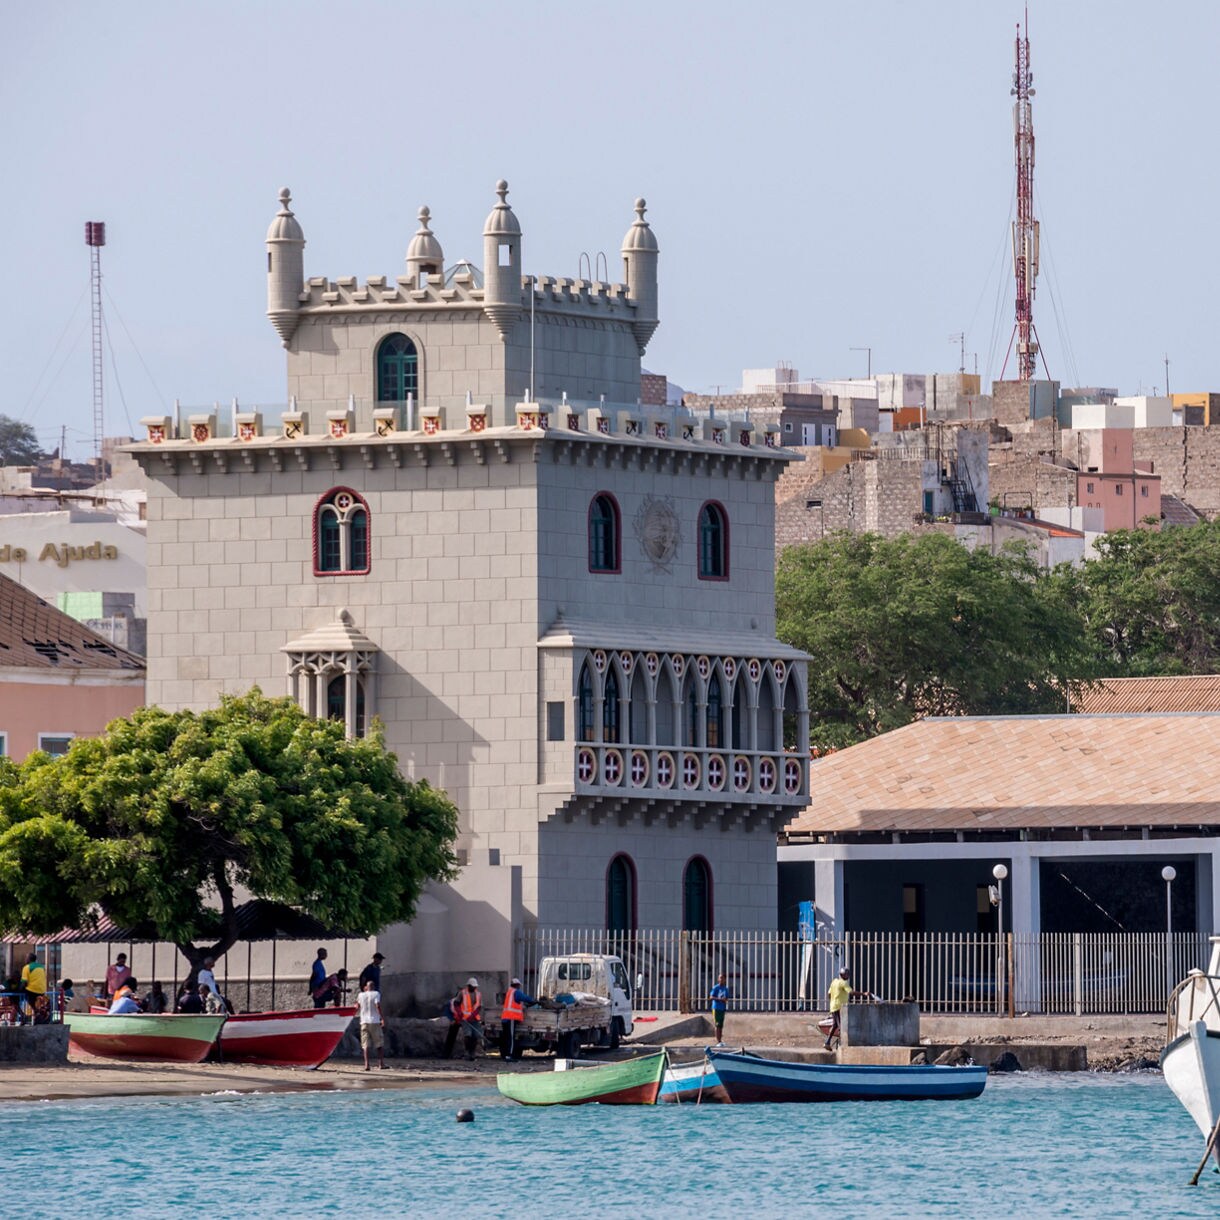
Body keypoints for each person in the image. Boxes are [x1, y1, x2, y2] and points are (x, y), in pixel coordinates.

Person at [498, 977, 537, 1062]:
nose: (519, 987)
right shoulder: (516, 992)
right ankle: (509, 1055)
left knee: (506, 1037)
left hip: (505, 1018)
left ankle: (505, 1055)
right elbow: (525, 998)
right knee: (510, 1038)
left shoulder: (509, 992)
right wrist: (533, 1000)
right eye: (519, 985)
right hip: (511, 1018)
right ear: (517, 985)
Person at [358, 978, 385, 1071]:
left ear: (366, 987)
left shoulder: (360, 995)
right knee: (379, 1043)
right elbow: (377, 1005)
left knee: (365, 1044)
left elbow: (357, 1006)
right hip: (374, 1021)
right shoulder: (376, 994)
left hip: (364, 1021)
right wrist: (382, 1018)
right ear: (373, 987)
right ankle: (381, 1063)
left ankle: (367, 1064)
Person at [825, 967, 853, 1049]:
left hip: (833, 1006)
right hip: (839, 1007)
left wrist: (832, 1001)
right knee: (841, 1025)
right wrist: (864, 994)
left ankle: (827, 1042)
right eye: (847, 974)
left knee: (834, 1025)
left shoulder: (834, 982)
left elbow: (829, 994)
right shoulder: (843, 983)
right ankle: (842, 1044)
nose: (848, 976)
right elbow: (851, 992)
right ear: (842, 975)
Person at [458, 977, 483, 1061]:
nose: (475, 988)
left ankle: (473, 1052)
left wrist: (473, 1015)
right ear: (468, 986)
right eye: (473, 986)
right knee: (468, 1035)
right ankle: (467, 1052)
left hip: (475, 1018)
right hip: (465, 1019)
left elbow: (479, 1006)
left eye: (475, 986)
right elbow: (456, 1003)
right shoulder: (462, 993)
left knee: (475, 1036)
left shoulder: (478, 994)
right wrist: (459, 1013)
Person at [19, 952, 47, 1022]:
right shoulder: (42, 967)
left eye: (26, 958)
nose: (25, 959)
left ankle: (26, 1014)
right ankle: (37, 1014)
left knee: (16, 998)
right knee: (37, 1005)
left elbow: (24, 982)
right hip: (42, 990)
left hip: (32, 990)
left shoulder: (26, 967)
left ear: (29, 959)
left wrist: (19, 989)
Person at [709, 972, 730, 1045]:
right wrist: (719, 999)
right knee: (717, 1025)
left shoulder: (725, 989)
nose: (721, 979)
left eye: (723, 978)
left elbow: (726, 998)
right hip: (716, 1008)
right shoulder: (716, 987)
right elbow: (711, 997)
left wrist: (725, 1000)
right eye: (720, 978)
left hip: (722, 1008)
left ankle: (720, 1040)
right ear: (718, 979)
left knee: (721, 1025)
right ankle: (718, 1041)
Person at [441, 991, 463, 1060]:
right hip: (454, 1022)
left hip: (464, 1022)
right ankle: (446, 1055)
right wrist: (452, 1019)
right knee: (450, 1038)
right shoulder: (451, 1003)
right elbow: (447, 1012)